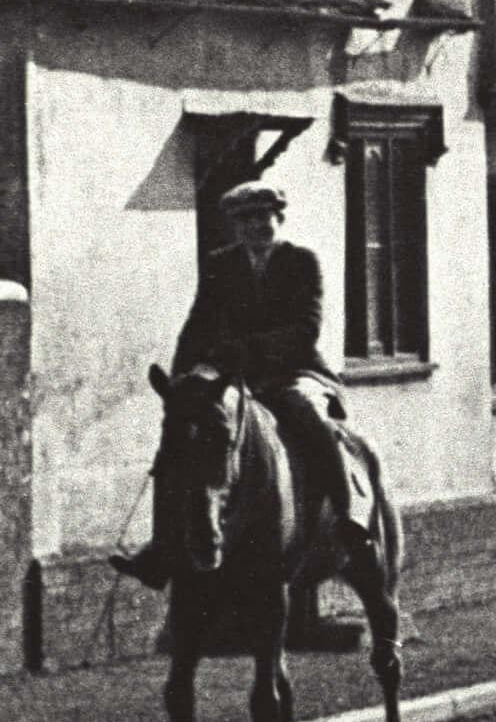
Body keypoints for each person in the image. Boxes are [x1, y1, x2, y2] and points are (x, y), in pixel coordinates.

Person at [114, 182, 378, 589]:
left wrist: (247, 350)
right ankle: (162, 547)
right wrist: (184, 381)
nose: (256, 227)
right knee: (183, 435)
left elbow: (305, 330)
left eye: (264, 218)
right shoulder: (220, 264)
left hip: (293, 371)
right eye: (246, 221)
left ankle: (350, 519)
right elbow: (197, 324)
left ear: (279, 218)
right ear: (236, 227)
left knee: (311, 417)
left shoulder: (301, 262)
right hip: (234, 378)